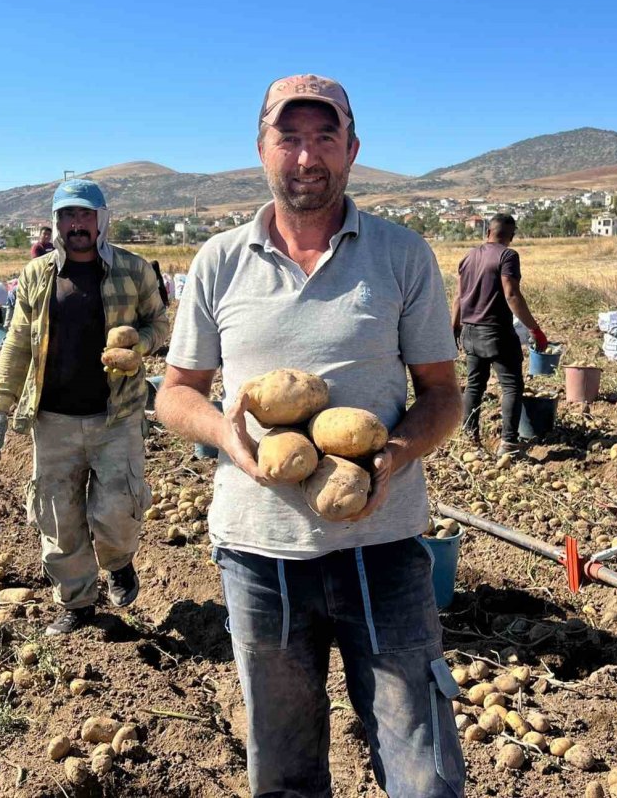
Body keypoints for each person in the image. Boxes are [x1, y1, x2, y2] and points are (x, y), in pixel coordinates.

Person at [156, 74, 466, 798]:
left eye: (324, 136)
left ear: (352, 148)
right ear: (261, 149)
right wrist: (229, 438)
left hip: (384, 550)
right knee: (285, 773)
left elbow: (445, 394)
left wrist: (397, 451)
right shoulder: (219, 261)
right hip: (260, 557)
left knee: (425, 771)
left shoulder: (401, 254)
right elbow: (176, 392)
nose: (306, 155)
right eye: (288, 137)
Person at [0, 179, 168, 636]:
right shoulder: (37, 274)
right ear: (56, 222)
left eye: (86, 215)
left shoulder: (133, 269)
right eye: (68, 215)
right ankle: (77, 603)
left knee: (117, 510)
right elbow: (18, 343)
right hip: (54, 420)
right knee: (58, 517)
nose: (77, 224)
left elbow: (160, 323)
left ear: (102, 220)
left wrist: (139, 346)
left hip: (117, 415)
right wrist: (0, 408)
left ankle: (119, 562)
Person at [451, 213, 548, 456]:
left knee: (474, 386)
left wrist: (454, 329)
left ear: (488, 233)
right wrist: (534, 329)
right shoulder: (508, 255)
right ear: (511, 236)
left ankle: (469, 438)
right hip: (496, 333)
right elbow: (511, 294)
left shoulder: (469, 256)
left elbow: (457, 298)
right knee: (512, 386)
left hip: (470, 332)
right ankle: (509, 443)